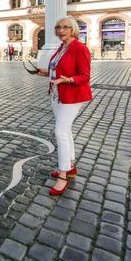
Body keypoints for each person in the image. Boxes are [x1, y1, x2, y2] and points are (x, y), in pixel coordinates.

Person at [34, 17, 92, 196]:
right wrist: (46, 72)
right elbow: (58, 69)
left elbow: (85, 76)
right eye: (58, 27)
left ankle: (63, 175)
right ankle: (71, 166)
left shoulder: (79, 48)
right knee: (66, 132)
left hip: (72, 96)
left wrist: (68, 80)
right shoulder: (62, 47)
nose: (61, 30)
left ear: (73, 29)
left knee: (60, 132)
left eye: (66, 27)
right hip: (57, 94)